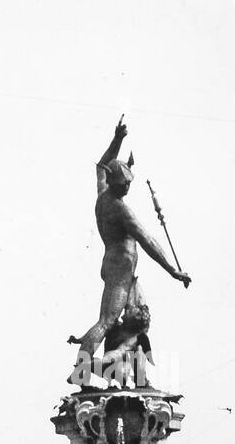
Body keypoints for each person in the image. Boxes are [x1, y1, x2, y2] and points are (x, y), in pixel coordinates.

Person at [68, 117, 191, 383]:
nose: (128, 187)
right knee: (107, 321)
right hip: (121, 268)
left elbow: (101, 166)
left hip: (114, 263)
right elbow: (147, 240)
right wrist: (173, 270)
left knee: (112, 321)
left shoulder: (103, 194)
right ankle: (80, 372)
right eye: (124, 184)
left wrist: (117, 140)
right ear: (115, 183)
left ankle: (101, 369)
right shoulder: (119, 207)